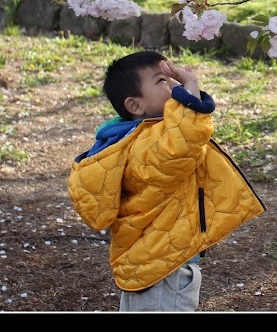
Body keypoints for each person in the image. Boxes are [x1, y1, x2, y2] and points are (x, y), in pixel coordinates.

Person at [67, 50, 266, 311]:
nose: (174, 85)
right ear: (135, 105)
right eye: (162, 81)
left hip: (157, 261)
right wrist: (191, 87)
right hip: (164, 270)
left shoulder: (135, 138)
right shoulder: (146, 145)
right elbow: (185, 141)